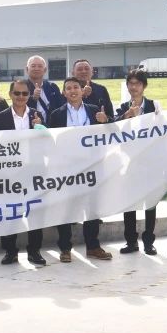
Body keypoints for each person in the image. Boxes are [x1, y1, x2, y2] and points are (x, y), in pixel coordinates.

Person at [46, 77, 112, 263]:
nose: (73, 91)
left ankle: (93, 246)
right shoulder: (56, 114)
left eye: (76, 87)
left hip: (92, 167)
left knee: (92, 208)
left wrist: (106, 120)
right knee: (66, 208)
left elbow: (112, 132)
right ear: (64, 93)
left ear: (83, 91)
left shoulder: (95, 110)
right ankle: (65, 248)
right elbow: (50, 142)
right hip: (67, 169)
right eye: (68, 88)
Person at [0, 80, 46, 265]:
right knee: (10, 213)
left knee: (35, 212)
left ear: (29, 95)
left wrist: (40, 128)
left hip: (33, 171)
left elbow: (47, 143)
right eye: (17, 93)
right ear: (10, 94)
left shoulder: (37, 115)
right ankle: (10, 251)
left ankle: (34, 251)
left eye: (24, 93)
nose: (21, 97)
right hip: (9, 174)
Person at [116, 69, 162, 256]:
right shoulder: (122, 107)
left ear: (144, 86)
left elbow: (163, 129)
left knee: (150, 204)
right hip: (130, 162)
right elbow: (114, 128)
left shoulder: (154, 105)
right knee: (130, 204)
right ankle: (131, 241)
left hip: (150, 162)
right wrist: (126, 116)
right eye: (131, 83)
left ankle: (149, 242)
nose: (134, 87)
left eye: (138, 83)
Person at [24, 55, 65, 122]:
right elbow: (17, 107)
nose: (36, 69)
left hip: (52, 126)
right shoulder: (21, 87)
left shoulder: (52, 87)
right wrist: (33, 98)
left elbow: (61, 107)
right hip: (29, 125)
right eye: (33, 66)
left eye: (40, 66)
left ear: (45, 70)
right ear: (27, 69)